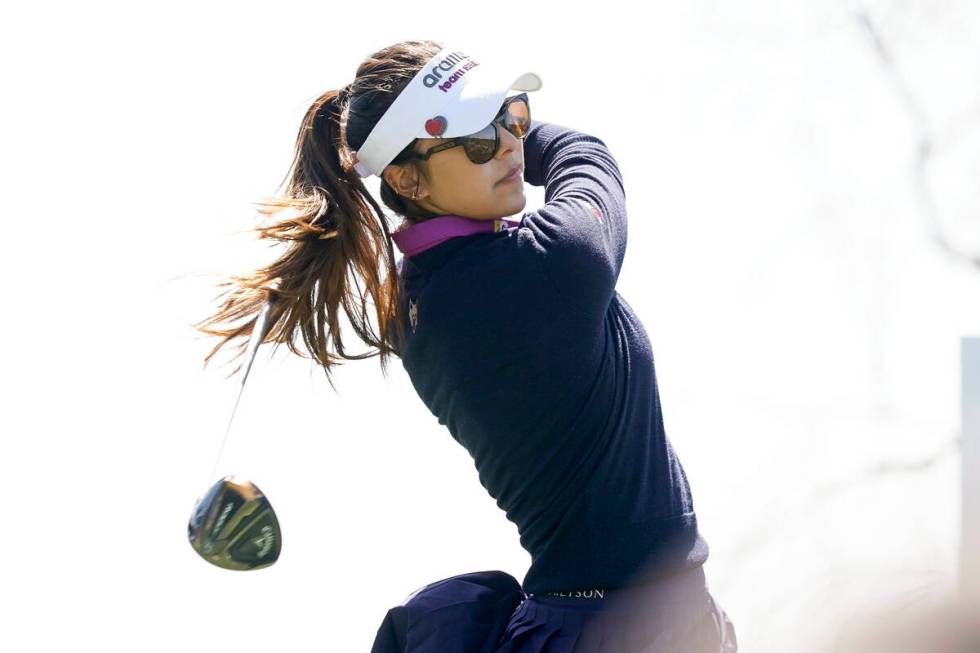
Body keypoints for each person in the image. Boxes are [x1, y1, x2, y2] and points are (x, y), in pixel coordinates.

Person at [192, 39, 738, 652]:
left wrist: (486, 127)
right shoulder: (545, 267)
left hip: (627, 619)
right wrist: (519, 131)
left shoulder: (432, 289)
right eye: (478, 139)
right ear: (404, 178)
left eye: (512, 117)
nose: (507, 143)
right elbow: (586, 154)